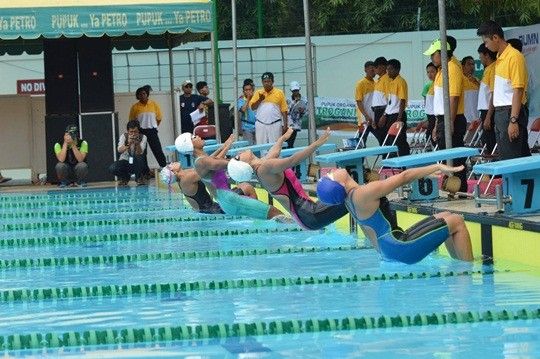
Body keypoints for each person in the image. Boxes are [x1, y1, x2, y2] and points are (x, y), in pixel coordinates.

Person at [316, 164, 473, 264]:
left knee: (445, 216)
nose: (332, 170)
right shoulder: (362, 194)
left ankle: (460, 265)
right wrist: (437, 167)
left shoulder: (350, 199)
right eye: (330, 175)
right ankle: (469, 277)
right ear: (340, 184)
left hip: (390, 249)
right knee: (457, 221)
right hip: (399, 247)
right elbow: (404, 177)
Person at [227, 128, 349, 230]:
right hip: (311, 214)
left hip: (308, 214)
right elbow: (293, 160)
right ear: (244, 164)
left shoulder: (261, 168)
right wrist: (316, 144)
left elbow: (273, 153)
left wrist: (282, 138)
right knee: (352, 196)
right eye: (238, 156)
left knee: (351, 195)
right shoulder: (264, 169)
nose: (240, 152)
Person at [175, 132, 285, 220]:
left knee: (270, 213)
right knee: (274, 213)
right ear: (190, 145)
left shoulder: (202, 160)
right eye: (194, 137)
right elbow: (226, 164)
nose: (198, 136)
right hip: (229, 200)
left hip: (227, 200)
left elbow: (216, 159)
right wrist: (244, 157)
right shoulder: (201, 162)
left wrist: (226, 147)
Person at [477, 20, 530, 160]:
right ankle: (508, 182)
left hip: (510, 112)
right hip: (501, 112)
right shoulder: (500, 57)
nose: (486, 46)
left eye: (486, 41)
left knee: (511, 158)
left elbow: (518, 90)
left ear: (495, 37)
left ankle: (512, 182)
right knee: (505, 157)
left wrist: (513, 120)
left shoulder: (514, 56)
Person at [424, 39, 468, 193]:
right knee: (445, 156)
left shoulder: (452, 68)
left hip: (453, 118)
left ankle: (460, 190)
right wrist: (437, 124)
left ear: (441, 53)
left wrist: (450, 121)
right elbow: (439, 102)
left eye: (433, 55)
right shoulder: (441, 71)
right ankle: (451, 188)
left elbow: (454, 97)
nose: (431, 58)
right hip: (443, 119)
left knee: (455, 158)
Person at [129, 86, 167, 178]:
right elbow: (132, 121)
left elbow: (159, 118)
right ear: (137, 96)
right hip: (141, 132)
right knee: (142, 153)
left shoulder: (153, 104)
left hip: (152, 131)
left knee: (157, 150)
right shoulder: (135, 107)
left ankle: (165, 168)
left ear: (147, 94)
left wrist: (153, 126)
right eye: (140, 94)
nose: (142, 95)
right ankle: (145, 172)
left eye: (144, 94)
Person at [381, 59, 410, 156]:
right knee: (391, 140)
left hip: (397, 115)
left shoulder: (400, 81)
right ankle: (394, 162)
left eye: (390, 69)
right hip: (390, 115)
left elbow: (402, 100)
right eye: (387, 69)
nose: (387, 72)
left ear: (397, 70)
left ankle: (404, 162)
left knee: (400, 141)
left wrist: (399, 118)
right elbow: (390, 102)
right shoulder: (391, 82)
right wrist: (384, 115)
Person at [250, 72, 288, 144]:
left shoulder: (279, 93)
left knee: (275, 146)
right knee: (261, 146)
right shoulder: (258, 93)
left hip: (275, 124)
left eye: (269, 81)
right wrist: (260, 99)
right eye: (265, 82)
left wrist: (285, 125)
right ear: (262, 82)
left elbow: (284, 110)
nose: (266, 83)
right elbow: (252, 107)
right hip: (261, 124)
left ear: (272, 82)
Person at [109, 120, 148, 186]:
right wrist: (128, 144)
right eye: (131, 132)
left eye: (135, 132)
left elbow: (140, 152)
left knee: (138, 156)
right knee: (113, 168)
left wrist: (137, 144)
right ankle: (125, 177)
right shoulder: (124, 136)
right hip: (126, 161)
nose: (133, 134)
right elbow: (119, 150)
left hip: (138, 163)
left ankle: (139, 178)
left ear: (138, 131)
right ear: (128, 131)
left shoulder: (143, 137)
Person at [477, 43, 497, 154]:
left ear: (487, 55)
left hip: (490, 112)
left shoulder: (493, 69)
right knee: (486, 141)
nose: (480, 59)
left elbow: (493, 94)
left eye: (480, 56)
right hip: (485, 112)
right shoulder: (488, 69)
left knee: (490, 142)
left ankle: (494, 170)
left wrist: (488, 117)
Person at [355, 61, 376, 146]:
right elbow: (358, 101)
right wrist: (366, 116)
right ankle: (360, 159)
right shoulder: (361, 83)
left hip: (374, 120)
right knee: (361, 144)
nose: (373, 72)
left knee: (383, 140)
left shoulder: (376, 83)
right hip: (364, 120)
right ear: (365, 70)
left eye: (374, 70)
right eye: (371, 70)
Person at [371, 57, 390, 145]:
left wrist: (384, 115)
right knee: (381, 140)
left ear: (382, 67)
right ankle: (384, 157)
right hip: (377, 112)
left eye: (376, 67)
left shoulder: (386, 79)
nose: (374, 70)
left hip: (383, 112)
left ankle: (387, 157)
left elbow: (389, 100)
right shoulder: (379, 80)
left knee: (385, 140)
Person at [286, 81, 308, 148]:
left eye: (296, 90)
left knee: (290, 143)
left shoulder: (304, 100)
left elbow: (307, 112)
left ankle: (290, 155)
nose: (295, 92)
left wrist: (302, 111)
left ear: (299, 89)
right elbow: (286, 111)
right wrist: (294, 103)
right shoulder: (288, 100)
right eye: (294, 90)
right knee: (285, 142)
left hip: (296, 126)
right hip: (287, 124)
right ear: (291, 90)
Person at [461, 56, 480, 124]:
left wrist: (477, 82)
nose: (472, 67)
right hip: (464, 120)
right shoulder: (460, 80)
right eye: (469, 64)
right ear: (462, 66)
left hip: (476, 119)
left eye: (473, 64)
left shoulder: (477, 80)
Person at [422, 62, 438, 146]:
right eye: (428, 72)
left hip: (435, 116)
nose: (429, 74)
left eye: (432, 71)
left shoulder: (438, 84)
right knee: (428, 136)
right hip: (430, 116)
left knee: (433, 138)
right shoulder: (430, 84)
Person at [237, 79, 257, 145]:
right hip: (247, 127)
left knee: (258, 146)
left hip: (258, 126)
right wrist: (248, 98)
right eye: (246, 90)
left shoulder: (257, 98)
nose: (248, 91)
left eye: (250, 89)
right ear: (243, 91)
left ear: (253, 90)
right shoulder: (241, 100)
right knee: (249, 147)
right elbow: (243, 109)